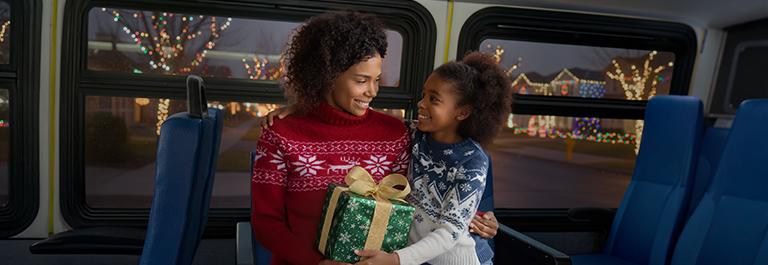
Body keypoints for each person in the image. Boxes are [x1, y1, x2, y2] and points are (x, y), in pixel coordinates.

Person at [250, 11, 410, 265]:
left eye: (377, 80)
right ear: (327, 76)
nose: (372, 92)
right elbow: (266, 222)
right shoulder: (280, 133)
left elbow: (419, 200)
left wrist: (471, 215)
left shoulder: (396, 135)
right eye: (361, 81)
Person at [353, 52, 511, 265]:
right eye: (423, 95)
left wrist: (395, 259)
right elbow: (377, 121)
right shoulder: (415, 135)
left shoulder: (472, 161)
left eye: (433, 99)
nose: (421, 103)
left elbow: (449, 233)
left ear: (462, 112)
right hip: (418, 258)